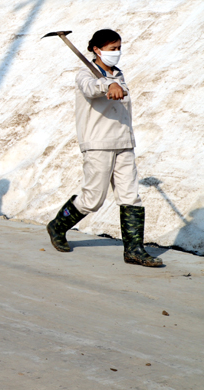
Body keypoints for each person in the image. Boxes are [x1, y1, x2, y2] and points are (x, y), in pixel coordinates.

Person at [46, 28, 162, 267]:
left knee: (131, 197)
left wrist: (113, 83)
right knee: (93, 199)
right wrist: (106, 86)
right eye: (112, 49)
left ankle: (134, 250)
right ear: (97, 50)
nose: (117, 52)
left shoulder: (118, 74)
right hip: (98, 144)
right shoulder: (84, 74)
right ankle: (57, 226)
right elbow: (90, 89)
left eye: (119, 48)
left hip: (124, 142)